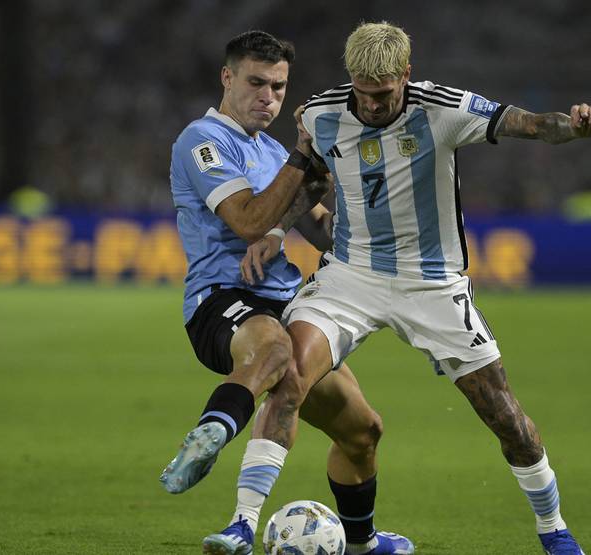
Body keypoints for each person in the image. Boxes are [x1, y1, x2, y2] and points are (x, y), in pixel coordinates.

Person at [241, 22, 591, 555]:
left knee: (505, 416)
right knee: (289, 373)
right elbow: (314, 176)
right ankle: (242, 524)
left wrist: (573, 127)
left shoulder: (443, 108)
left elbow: (528, 124)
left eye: (385, 93)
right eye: (364, 92)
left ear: (406, 75)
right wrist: (276, 229)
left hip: (431, 283)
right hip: (351, 276)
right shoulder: (320, 113)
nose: (373, 105)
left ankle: (554, 529)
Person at [163, 30, 414, 555]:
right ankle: (218, 447)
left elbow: (321, 229)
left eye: (278, 87)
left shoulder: (273, 151)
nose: (269, 97)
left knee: (362, 431)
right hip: (221, 299)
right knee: (278, 354)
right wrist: (303, 160)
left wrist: (365, 203)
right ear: (227, 77)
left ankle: (363, 543)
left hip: (288, 302)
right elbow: (248, 220)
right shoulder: (202, 141)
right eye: (256, 83)